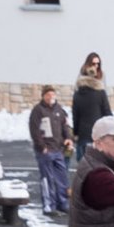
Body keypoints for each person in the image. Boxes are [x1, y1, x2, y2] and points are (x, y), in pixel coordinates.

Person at [28, 86, 73, 214]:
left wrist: (68, 138)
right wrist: (42, 146)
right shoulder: (38, 111)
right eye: (48, 95)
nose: (50, 97)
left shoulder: (59, 110)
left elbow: (65, 127)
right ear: (43, 96)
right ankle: (49, 205)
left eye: (52, 94)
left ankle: (62, 203)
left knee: (62, 177)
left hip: (58, 149)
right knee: (47, 178)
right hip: (45, 150)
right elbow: (34, 130)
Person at [72, 52, 110, 146]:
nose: (96, 66)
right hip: (94, 134)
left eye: (98, 64)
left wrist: (76, 133)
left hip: (89, 133)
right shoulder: (98, 93)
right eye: (93, 64)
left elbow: (75, 115)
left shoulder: (79, 93)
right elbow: (107, 112)